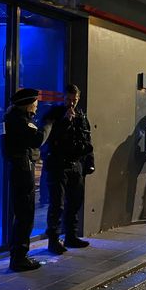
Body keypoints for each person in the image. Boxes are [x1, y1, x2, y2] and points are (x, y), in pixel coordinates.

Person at [42, 84, 95, 254]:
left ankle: (71, 236)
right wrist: (65, 120)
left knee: (74, 202)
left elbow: (87, 139)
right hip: (58, 164)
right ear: (63, 98)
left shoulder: (81, 115)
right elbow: (50, 137)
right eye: (68, 99)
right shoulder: (55, 113)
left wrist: (89, 162)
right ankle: (53, 240)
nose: (71, 103)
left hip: (75, 164)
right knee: (57, 204)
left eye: (74, 100)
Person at [2, 88, 50, 271]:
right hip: (23, 170)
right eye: (35, 104)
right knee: (25, 214)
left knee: (22, 214)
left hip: (18, 169)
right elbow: (38, 139)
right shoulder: (20, 121)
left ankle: (19, 255)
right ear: (28, 104)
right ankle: (20, 258)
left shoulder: (9, 119)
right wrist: (48, 124)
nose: (37, 107)